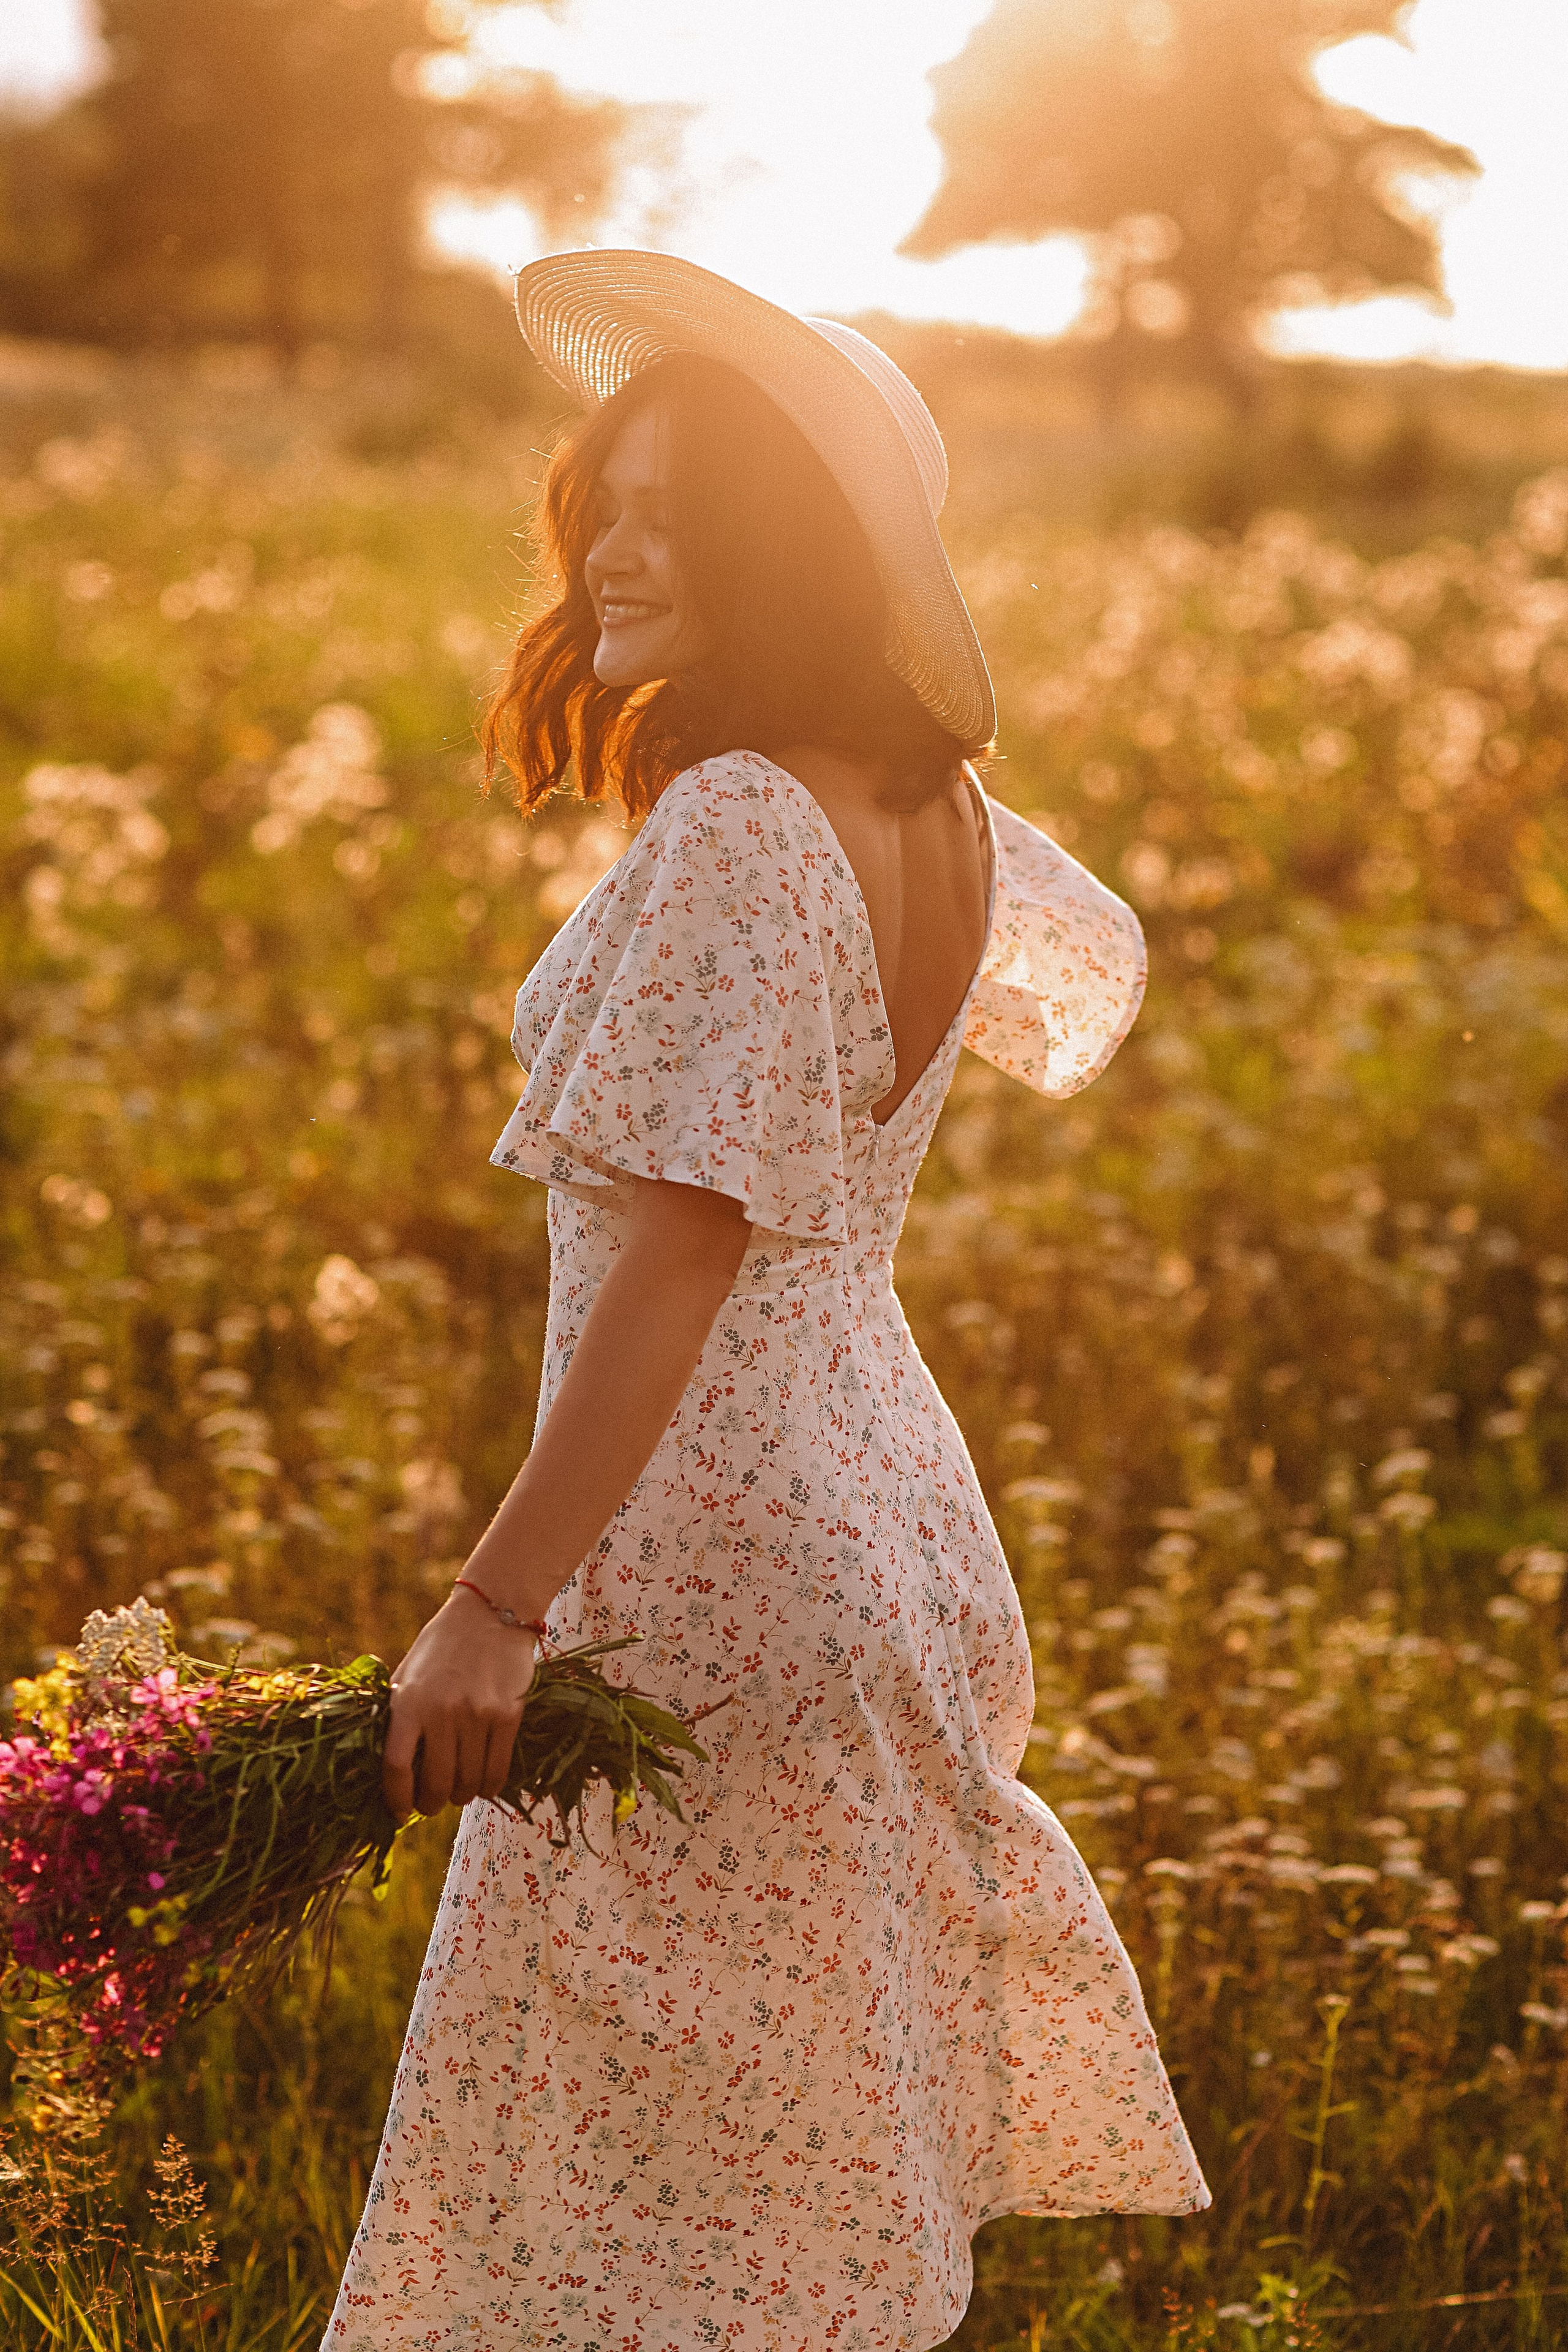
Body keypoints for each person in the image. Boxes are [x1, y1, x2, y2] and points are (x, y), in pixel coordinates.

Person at [325, 251, 1208, 2352]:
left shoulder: (739, 815)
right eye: (598, 501)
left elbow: (688, 1249)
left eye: (671, 507)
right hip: (884, 1518)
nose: (612, 544)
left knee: (611, 2210)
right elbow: (1069, 988)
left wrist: (497, 1606)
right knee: (787, 2181)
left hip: (704, 1554)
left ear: (782, 542)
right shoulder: (942, 808)